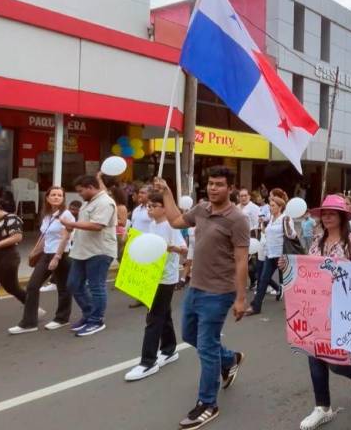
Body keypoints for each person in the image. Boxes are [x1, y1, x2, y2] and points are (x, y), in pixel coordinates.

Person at [154, 167, 249, 429]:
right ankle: (230, 359)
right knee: (189, 336)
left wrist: (241, 298)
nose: (213, 188)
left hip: (219, 292)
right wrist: (168, 193)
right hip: (195, 286)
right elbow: (175, 220)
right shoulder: (202, 209)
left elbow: (241, 260)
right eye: (210, 183)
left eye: (219, 184)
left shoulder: (238, 219)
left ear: (230, 188)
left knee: (206, 348)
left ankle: (208, 403)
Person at [283, 195, 351, 430]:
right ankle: (322, 407)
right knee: (313, 353)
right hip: (315, 308)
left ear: (342, 216)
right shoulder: (317, 240)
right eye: (325, 213)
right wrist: (289, 267)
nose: (328, 217)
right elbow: (308, 268)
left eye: (333, 213)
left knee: (335, 360)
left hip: (341, 310)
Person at [124, 192, 188, 382]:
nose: (149, 209)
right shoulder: (152, 225)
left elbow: (184, 249)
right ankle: (169, 350)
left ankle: (148, 362)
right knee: (163, 314)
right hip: (153, 275)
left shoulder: (171, 225)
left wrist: (170, 247)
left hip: (166, 277)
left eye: (154, 206)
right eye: (148, 206)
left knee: (153, 318)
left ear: (164, 207)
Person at [9, 186, 73, 334]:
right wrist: (34, 252)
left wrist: (56, 257)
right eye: (53, 195)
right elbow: (44, 236)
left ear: (63, 199)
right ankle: (29, 322)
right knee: (32, 286)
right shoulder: (47, 215)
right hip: (46, 253)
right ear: (48, 198)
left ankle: (62, 318)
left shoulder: (66, 215)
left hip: (61, 254)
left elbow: (65, 237)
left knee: (63, 288)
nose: (56, 197)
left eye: (60, 195)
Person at [61, 175, 117, 337]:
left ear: (91, 187)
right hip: (82, 250)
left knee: (96, 287)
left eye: (81, 191)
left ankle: (96, 320)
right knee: (73, 284)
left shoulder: (105, 202)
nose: (79, 195)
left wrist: (72, 224)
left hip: (99, 251)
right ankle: (89, 313)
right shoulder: (89, 201)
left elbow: (97, 225)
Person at [246, 194, 294, 315]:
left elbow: (292, 235)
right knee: (263, 280)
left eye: (273, 206)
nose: (271, 208)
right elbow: (267, 233)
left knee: (289, 282)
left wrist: (288, 229)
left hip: (282, 255)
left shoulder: (285, 218)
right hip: (270, 253)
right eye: (271, 206)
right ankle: (256, 306)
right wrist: (263, 225)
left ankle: (294, 305)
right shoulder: (271, 219)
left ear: (280, 207)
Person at [0, 199, 26, 316]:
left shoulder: (11, 219)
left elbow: (17, 237)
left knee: (11, 287)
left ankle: (32, 306)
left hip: (8, 258)